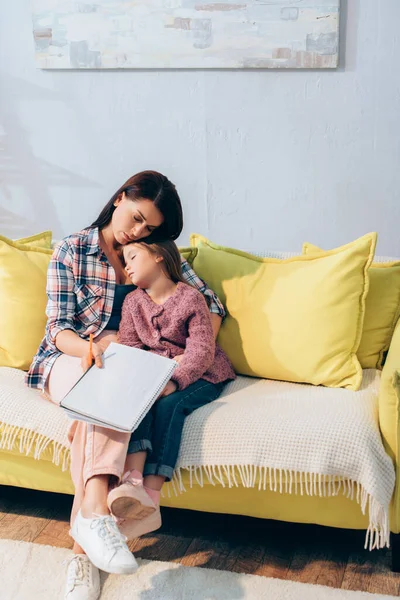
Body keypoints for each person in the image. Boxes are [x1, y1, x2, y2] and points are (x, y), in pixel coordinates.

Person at [26, 171, 226, 600]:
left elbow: (209, 304)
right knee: (99, 389)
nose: (135, 231)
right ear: (119, 198)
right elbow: (57, 328)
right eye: (135, 217)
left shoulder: (152, 254)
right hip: (70, 358)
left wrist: (186, 350)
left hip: (127, 366)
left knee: (92, 416)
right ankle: (92, 526)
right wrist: (90, 349)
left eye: (148, 227)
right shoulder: (72, 250)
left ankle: (85, 542)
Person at [107, 240, 236, 540]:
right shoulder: (133, 303)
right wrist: (153, 374)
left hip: (203, 374)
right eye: (124, 261)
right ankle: (133, 482)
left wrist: (175, 380)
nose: (127, 266)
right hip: (156, 374)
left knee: (168, 405)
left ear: (159, 256)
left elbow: (202, 351)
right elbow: (130, 349)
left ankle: (151, 502)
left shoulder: (191, 299)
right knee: (138, 397)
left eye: (133, 256)